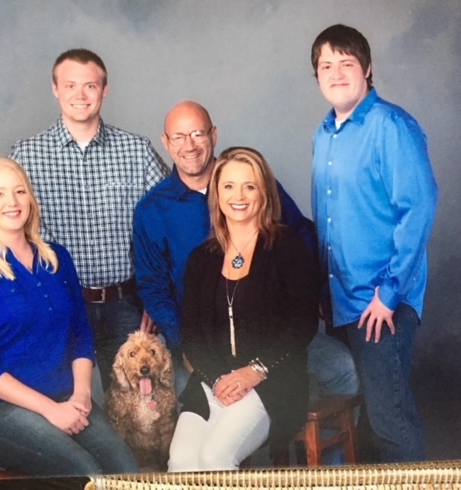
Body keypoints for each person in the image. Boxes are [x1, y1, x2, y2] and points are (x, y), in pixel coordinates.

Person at [133, 101, 358, 409]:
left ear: (214, 135)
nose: (190, 146)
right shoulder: (151, 210)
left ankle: (320, 444)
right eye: (179, 137)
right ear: (165, 141)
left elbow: (301, 234)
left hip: (272, 335)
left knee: (342, 368)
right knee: (195, 403)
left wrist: (313, 295)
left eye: (198, 134)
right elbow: (153, 287)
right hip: (204, 343)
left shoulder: (253, 181)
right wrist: (187, 346)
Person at [0, 158, 138, 476]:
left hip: (66, 395)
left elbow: (81, 335)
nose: (12, 202)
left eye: (19, 191)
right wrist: (51, 410)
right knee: (83, 471)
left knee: (126, 469)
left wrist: (81, 395)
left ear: (31, 198)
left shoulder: (57, 258)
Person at [310, 24, 438, 462]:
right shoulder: (324, 134)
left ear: (367, 68)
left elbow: (418, 210)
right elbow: (328, 221)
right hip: (341, 301)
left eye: (346, 63)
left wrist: (389, 294)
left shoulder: (391, 125)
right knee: (359, 421)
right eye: (326, 65)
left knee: (390, 421)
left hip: (381, 305)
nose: (336, 73)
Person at [9, 48, 169, 392]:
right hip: (59, 305)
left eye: (90, 86)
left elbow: (166, 225)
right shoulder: (26, 155)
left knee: (137, 407)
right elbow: (7, 233)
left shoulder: (136, 151)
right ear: (55, 89)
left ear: (105, 90)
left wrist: (157, 298)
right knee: (62, 403)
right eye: (70, 85)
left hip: (126, 305)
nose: (80, 95)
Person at [168, 147, 318, 471]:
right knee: (181, 461)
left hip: (271, 381)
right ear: (216, 194)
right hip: (213, 382)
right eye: (229, 186)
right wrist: (217, 379)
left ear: (264, 194)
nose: (239, 196)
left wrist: (254, 371)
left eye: (249, 186)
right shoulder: (201, 259)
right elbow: (191, 335)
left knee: (214, 458)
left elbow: (302, 324)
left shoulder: (287, 247)